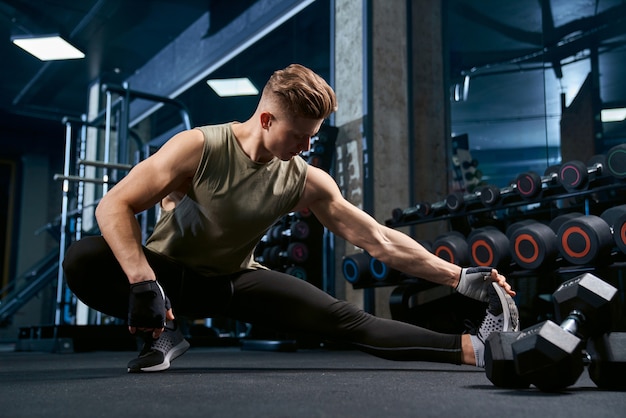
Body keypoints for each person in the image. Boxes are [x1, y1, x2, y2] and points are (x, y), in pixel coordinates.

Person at [62, 64, 518, 373]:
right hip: (169, 280)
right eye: (298, 136)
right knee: (83, 258)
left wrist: (460, 277)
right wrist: (143, 282)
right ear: (265, 120)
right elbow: (112, 205)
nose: (305, 148)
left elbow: (378, 239)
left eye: (312, 139)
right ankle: (168, 333)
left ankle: (475, 349)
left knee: (344, 320)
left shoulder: (306, 180)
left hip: (234, 282)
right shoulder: (198, 147)